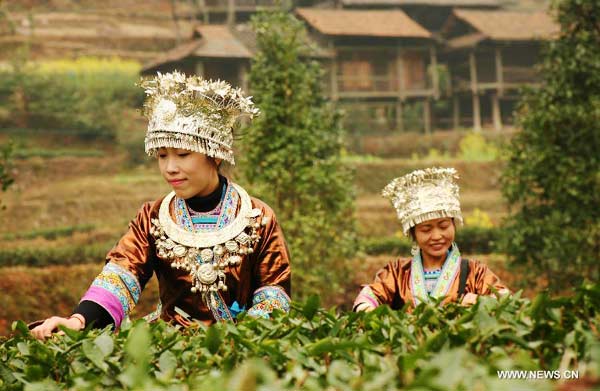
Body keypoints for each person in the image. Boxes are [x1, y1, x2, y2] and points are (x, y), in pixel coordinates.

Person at [31, 72, 291, 340]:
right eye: (162, 155)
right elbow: (121, 275)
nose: (170, 168)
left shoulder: (257, 217)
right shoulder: (153, 217)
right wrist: (79, 319)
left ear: (214, 155)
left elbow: (274, 292)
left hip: (242, 348)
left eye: (182, 154)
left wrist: (244, 339)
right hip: (170, 350)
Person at [353, 167, 508, 312]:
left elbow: (504, 297)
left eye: (443, 226)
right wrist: (366, 307)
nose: (436, 236)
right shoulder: (397, 273)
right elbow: (371, 294)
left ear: (453, 225)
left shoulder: (475, 272)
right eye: (426, 229)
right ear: (413, 234)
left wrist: (480, 302)